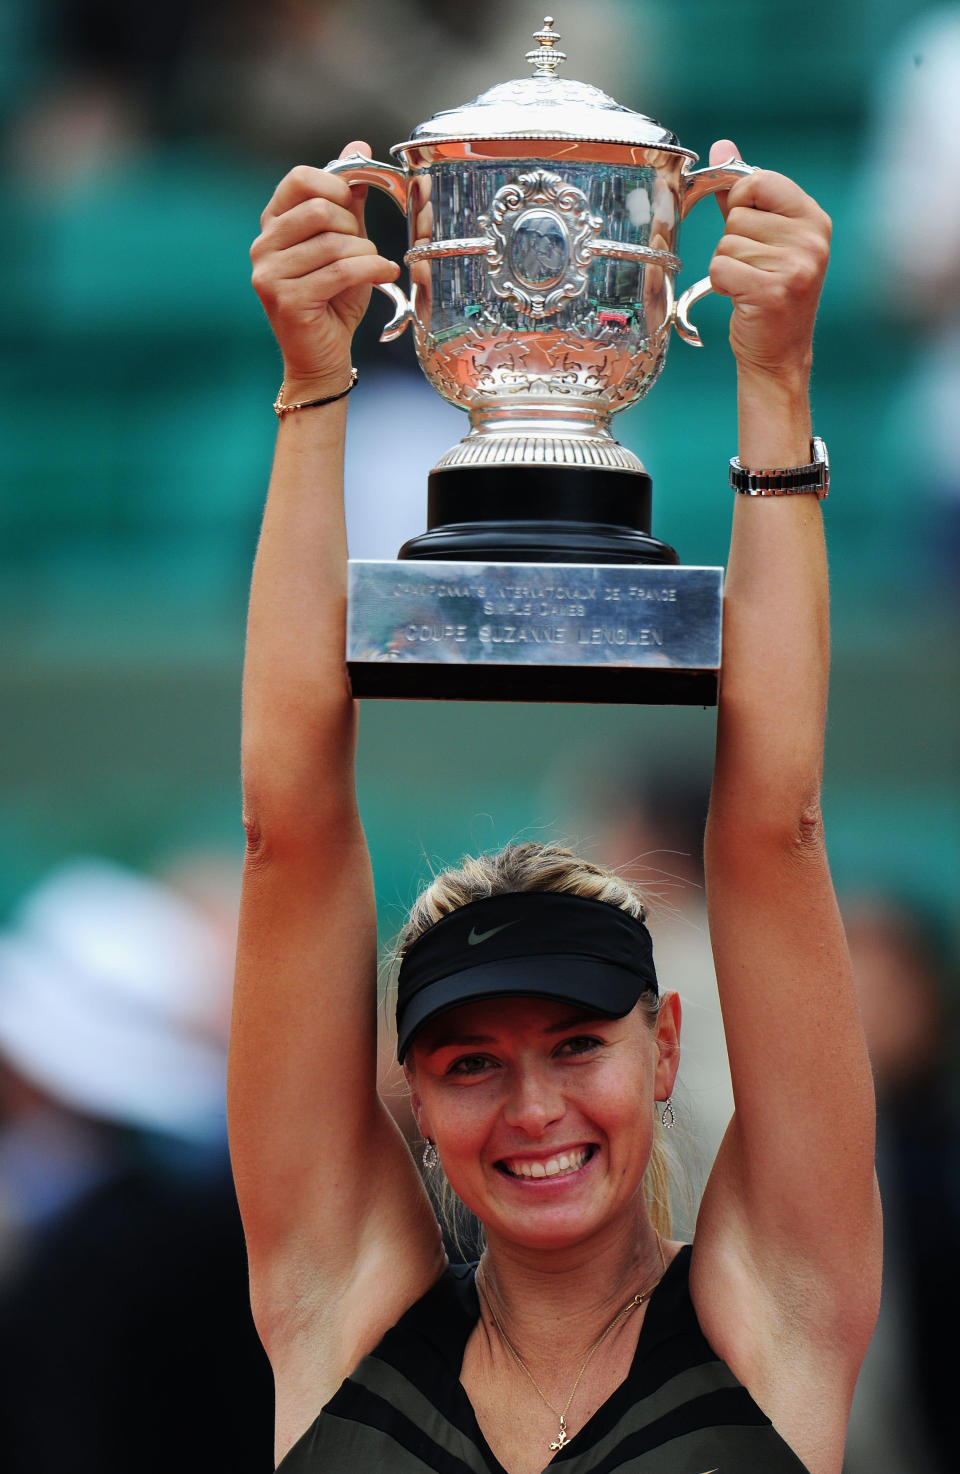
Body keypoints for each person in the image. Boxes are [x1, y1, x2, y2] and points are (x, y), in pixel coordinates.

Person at [229, 138, 881, 1474]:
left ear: (663, 1046)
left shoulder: (784, 1307)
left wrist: (775, 386)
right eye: (471, 1060)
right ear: (409, 1090)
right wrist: (313, 385)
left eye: (577, 1041)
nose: (532, 1106)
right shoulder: (334, 1303)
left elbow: (776, 827)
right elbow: (285, 833)